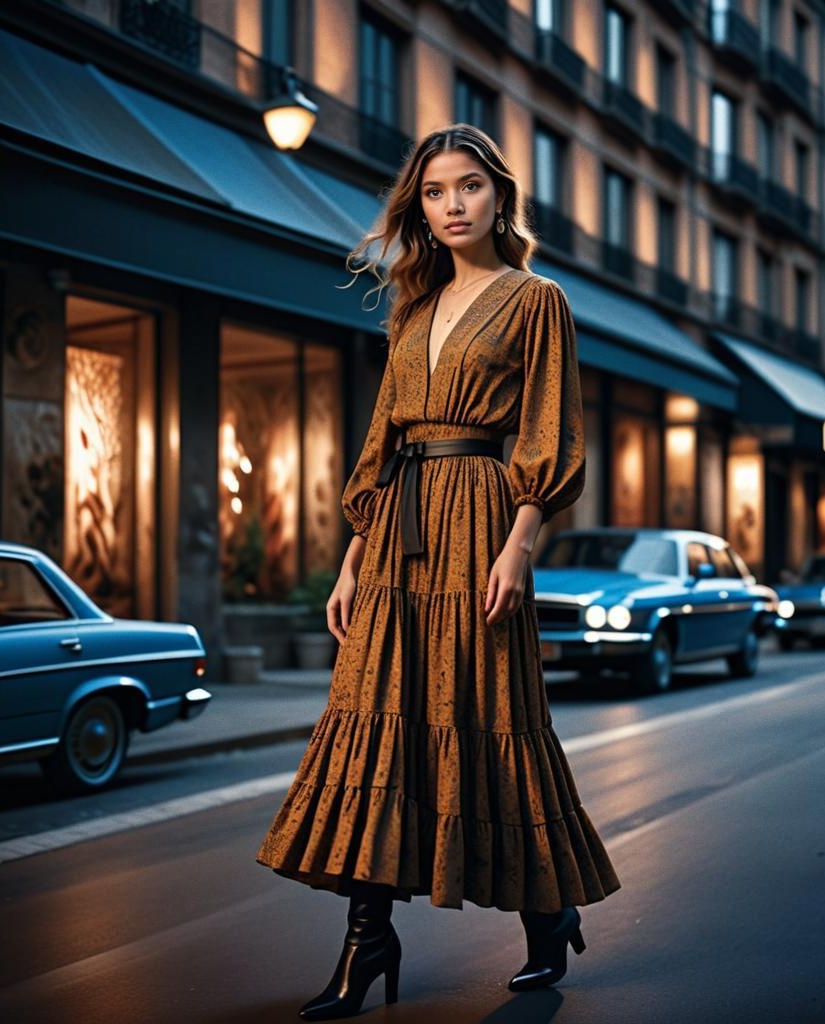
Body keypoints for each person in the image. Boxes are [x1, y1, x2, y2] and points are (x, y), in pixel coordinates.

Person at [255, 123, 621, 1021]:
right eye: (433, 192)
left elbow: (549, 430)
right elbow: (381, 444)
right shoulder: (413, 311)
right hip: (397, 533)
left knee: (488, 713)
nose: (451, 205)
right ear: (418, 206)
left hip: (483, 519)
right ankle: (367, 938)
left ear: (500, 196)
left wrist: (520, 542)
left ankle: (548, 912)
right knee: (376, 719)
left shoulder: (537, 301)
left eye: (467, 188)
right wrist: (350, 560)